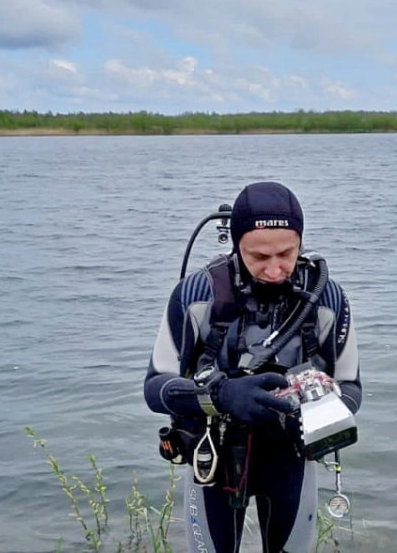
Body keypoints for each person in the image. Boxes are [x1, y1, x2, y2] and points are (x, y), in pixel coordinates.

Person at [143, 181, 362, 553]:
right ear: (236, 245)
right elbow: (155, 387)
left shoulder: (326, 298)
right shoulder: (197, 295)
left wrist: (319, 412)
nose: (274, 270)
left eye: (286, 254)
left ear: (301, 243)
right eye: (258, 256)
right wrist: (219, 396)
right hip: (214, 457)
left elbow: (352, 387)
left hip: (291, 456)